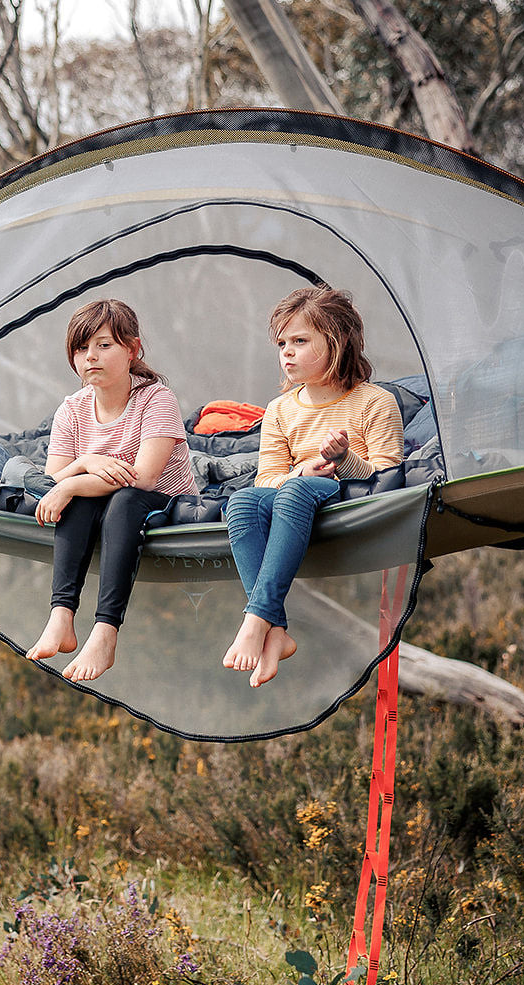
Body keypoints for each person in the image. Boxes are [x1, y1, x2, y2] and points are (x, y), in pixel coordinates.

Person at [221, 285, 404, 688]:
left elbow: (389, 476)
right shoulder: (280, 409)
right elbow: (267, 477)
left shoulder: (375, 402)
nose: (286, 351)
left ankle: (256, 620)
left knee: (294, 492)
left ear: (337, 343)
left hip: (351, 502)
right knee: (242, 503)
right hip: (299, 492)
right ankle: (276, 631)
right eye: (282, 342)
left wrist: (343, 461)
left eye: (300, 341)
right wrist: (301, 471)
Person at [26, 299, 198, 681]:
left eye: (104, 345)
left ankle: (105, 632)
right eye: (82, 348)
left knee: (119, 498)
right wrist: (84, 465)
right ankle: (62, 616)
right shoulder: (72, 408)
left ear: (132, 350)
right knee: (78, 502)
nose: (91, 357)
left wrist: (70, 482)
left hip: (164, 502)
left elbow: (143, 479)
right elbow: (54, 477)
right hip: (104, 499)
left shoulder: (156, 399)